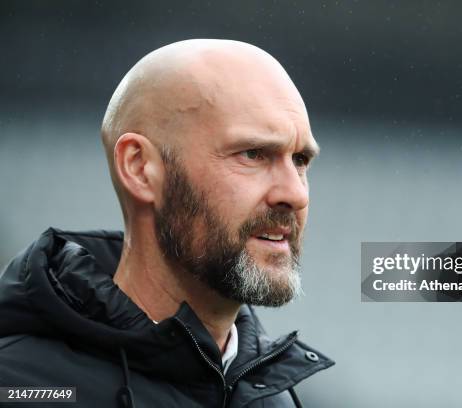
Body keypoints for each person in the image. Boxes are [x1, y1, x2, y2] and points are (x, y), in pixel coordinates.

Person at [0, 39, 333, 407]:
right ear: (140, 168)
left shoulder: (276, 400)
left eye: (300, 160)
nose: (295, 194)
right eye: (253, 154)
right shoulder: (18, 385)